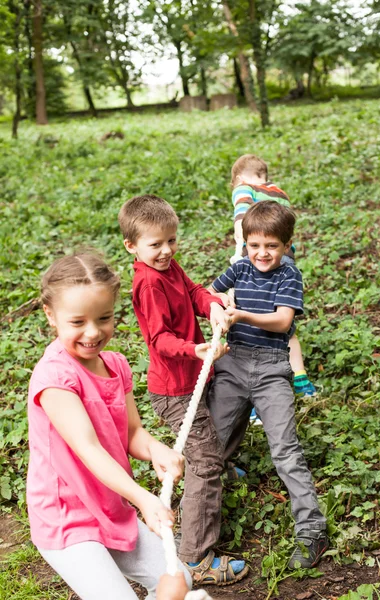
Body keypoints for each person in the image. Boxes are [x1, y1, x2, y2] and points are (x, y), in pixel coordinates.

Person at [27, 253, 192, 600]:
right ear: (50, 316)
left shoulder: (115, 365)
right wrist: (143, 499)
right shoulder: (55, 377)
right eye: (78, 322)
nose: (93, 332)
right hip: (67, 517)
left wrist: (156, 449)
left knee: (179, 578)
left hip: (109, 505)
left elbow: (132, 432)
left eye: (104, 318)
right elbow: (89, 449)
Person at [118, 194, 249, 586]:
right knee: (203, 464)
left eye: (171, 241)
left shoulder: (170, 267)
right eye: (155, 245)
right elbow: (159, 340)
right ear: (132, 246)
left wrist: (210, 305)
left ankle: (216, 459)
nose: (165, 251)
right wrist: (194, 348)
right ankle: (194, 558)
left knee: (236, 400)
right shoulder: (148, 284)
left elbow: (193, 290)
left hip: (197, 373)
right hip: (174, 389)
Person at [208, 201, 329, 569]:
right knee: (211, 444)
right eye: (254, 245)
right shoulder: (240, 266)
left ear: (287, 245)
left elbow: (281, 321)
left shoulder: (288, 274)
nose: (262, 253)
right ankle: (197, 530)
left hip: (272, 367)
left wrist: (241, 313)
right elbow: (210, 294)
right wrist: (219, 302)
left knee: (285, 450)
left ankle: (312, 529)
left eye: (271, 246)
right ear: (244, 243)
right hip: (232, 361)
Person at [229, 153, 316, 399]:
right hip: (285, 259)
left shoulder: (243, 188)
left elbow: (242, 210)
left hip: (260, 263)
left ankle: (258, 388)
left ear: (237, 178)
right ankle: (301, 379)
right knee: (286, 325)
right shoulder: (280, 194)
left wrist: (241, 238)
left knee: (258, 323)